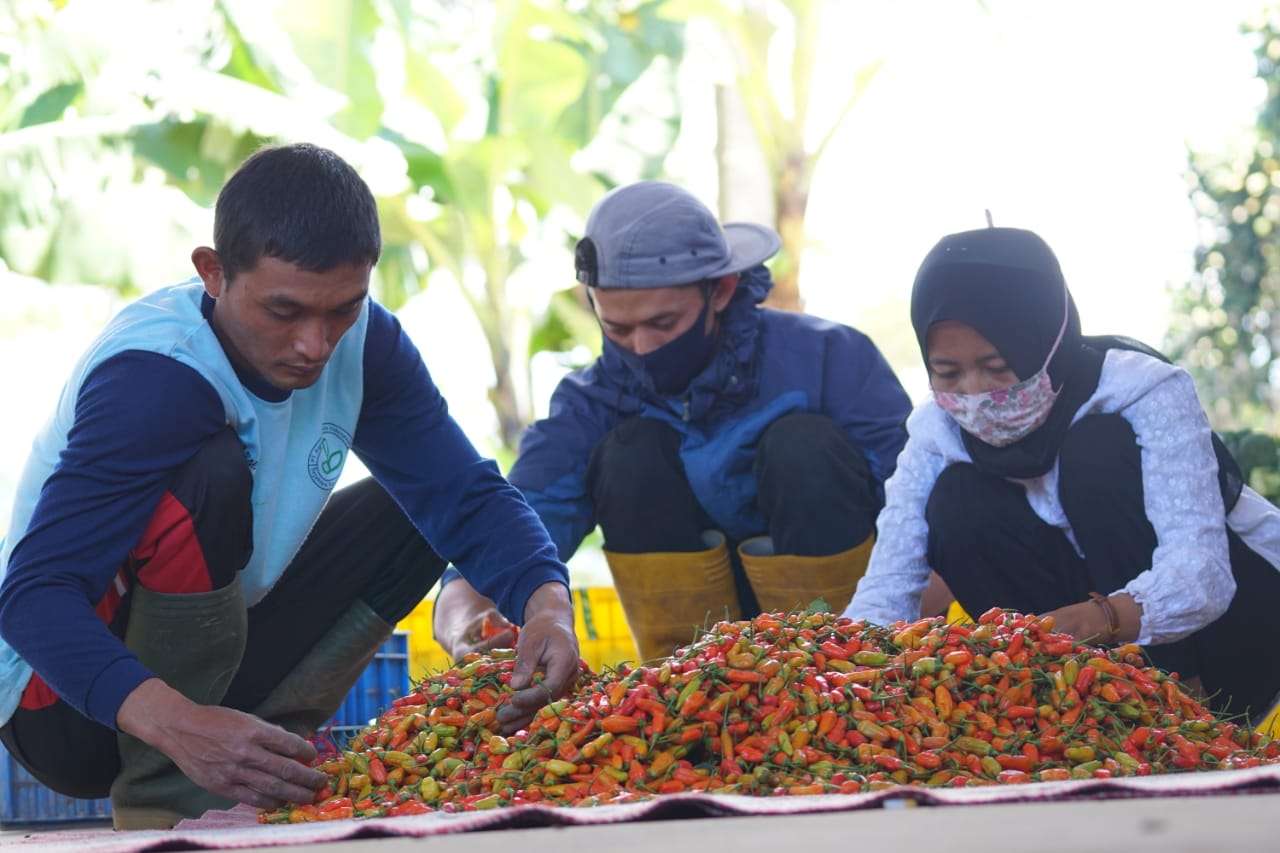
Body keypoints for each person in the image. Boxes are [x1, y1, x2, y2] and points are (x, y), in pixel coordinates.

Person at [0, 143, 579, 830]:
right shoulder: (155, 380)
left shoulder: (366, 344)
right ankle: (171, 792)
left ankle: (260, 754)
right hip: (65, 705)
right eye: (285, 311)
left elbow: (466, 493)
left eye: (342, 308)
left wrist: (548, 604)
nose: (315, 342)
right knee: (208, 470)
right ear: (212, 273)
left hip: (217, 658)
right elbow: (32, 597)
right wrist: (182, 725)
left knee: (416, 506)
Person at [433, 180, 912, 664]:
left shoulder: (833, 358)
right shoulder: (589, 405)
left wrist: (887, 634)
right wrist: (464, 622)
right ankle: (684, 675)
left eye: (663, 324)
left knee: (803, 446)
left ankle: (836, 658)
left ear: (722, 290)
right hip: (689, 665)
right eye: (617, 328)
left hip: (843, 648)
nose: (641, 348)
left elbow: (914, 518)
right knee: (629, 454)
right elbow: (516, 526)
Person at [844, 224, 1280, 721]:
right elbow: (889, 582)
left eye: (996, 366)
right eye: (947, 373)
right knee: (956, 502)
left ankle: (1183, 710)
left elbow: (1202, 575)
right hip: (1088, 658)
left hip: (1239, 636)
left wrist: (1102, 619)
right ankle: (1081, 709)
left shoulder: (1143, 390)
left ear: (1044, 343)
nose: (975, 391)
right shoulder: (935, 429)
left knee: (1094, 452)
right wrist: (842, 673)